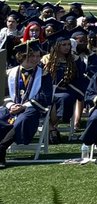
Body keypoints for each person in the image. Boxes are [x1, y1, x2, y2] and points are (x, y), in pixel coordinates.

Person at [0, 40, 50, 168]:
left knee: (24, 118)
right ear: (22, 56)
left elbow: (45, 96)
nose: (36, 59)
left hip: (33, 107)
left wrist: (24, 106)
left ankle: (2, 148)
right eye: (32, 56)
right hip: (11, 107)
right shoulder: (9, 73)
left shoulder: (44, 74)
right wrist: (11, 105)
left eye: (38, 56)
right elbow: (4, 94)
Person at [42, 31, 88, 142]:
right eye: (64, 45)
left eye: (68, 44)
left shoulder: (75, 59)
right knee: (42, 99)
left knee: (64, 98)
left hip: (68, 89)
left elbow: (79, 79)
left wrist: (68, 87)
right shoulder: (46, 60)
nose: (67, 47)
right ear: (57, 46)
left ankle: (51, 127)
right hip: (48, 90)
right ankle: (53, 129)